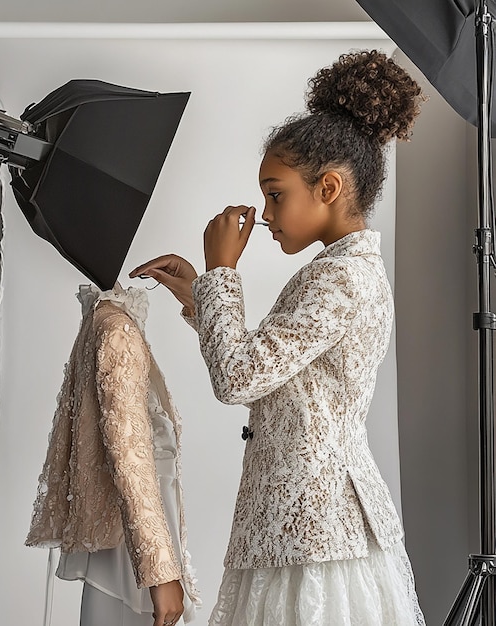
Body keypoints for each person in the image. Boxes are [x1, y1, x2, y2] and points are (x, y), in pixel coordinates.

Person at [129, 50, 426, 625]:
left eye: (275, 193)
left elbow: (237, 378)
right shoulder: (338, 269)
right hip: (298, 518)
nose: (265, 213)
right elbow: (270, 366)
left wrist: (222, 274)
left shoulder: (342, 276)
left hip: (318, 529)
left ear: (330, 187)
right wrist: (199, 295)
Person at [26, 283, 201, 626]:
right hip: (134, 540)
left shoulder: (100, 318)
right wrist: (160, 569)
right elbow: (128, 455)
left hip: (126, 531)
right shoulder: (116, 329)